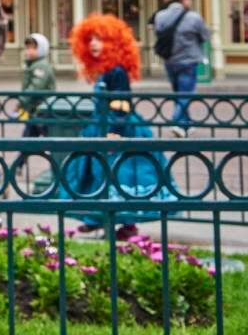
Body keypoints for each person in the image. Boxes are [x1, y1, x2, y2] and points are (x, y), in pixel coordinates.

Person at [64, 14, 173, 239]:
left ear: (114, 44)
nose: (93, 44)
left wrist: (114, 132)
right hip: (103, 126)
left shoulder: (117, 71)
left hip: (117, 128)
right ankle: (97, 217)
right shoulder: (107, 71)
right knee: (99, 173)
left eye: (100, 39)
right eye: (91, 39)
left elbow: (122, 105)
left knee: (122, 175)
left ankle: (125, 222)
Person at [150, 0, 210, 136]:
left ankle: (186, 124)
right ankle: (176, 121)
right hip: (188, 61)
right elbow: (205, 36)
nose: (190, 1)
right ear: (183, 0)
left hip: (169, 60)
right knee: (185, 94)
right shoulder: (193, 17)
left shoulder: (160, 16)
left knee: (179, 93)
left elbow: (157, 32)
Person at [10, 33, 55, 174]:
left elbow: (35, 87)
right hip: (35, 111)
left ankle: (58, 166)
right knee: (28, 139)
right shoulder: (33, 65)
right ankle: (18, 166)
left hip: (43, 111)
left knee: (49, 140)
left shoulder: (41, 66)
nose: (29, 51)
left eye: (33, 48)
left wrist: (21, 102)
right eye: (27, 48)